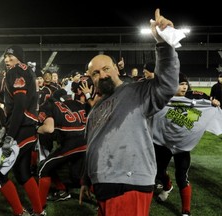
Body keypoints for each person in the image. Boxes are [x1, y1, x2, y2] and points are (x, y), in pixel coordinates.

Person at [79, 8, 180, 216]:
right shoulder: (95, 109)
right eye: (95, 73)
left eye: (106, 68)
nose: (102, 75)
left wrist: (163, 43)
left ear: (117, 68)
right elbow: (91, 145)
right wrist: (85, 180)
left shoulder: (136, 91)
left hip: (127, 183)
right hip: (104, 184)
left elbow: (168, 85)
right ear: (91, 79)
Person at [153, 73, 222, 216]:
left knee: (182, 177)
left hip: (182, 146)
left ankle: (186, 210)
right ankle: (167, 186)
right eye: (180, 84)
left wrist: (213, 102)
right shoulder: (163, 98)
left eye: (185, 83)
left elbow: (207, 100)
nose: (184, 87)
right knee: (158, 173)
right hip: (164, 142)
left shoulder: (193, 96)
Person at [0, 45, 46, 216]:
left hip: (20, 130)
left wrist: (9, 136)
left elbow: (19, 106)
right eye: (6, 57)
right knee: (22, 173)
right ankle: (38, 211)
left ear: (19, 58)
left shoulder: (16, 71)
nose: (7, 60)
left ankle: (20, 212)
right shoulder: (27, 70)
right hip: (29, 129)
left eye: (11, 57)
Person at [37, 88, 87, 207]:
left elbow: (49, 129)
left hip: (71, 142)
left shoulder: (50, 103)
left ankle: (38, 207)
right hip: (87, 140)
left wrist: (36, 129)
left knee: (43, 169)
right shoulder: (79, 103)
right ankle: (62, 190)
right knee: (76, 176)